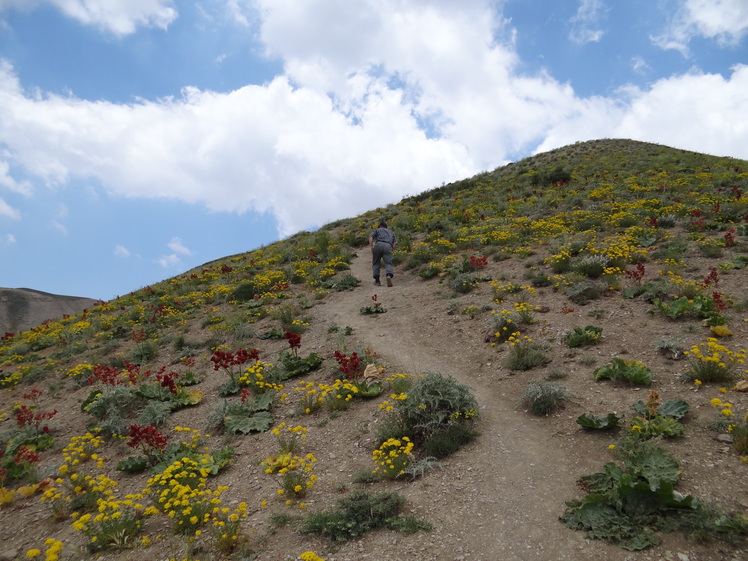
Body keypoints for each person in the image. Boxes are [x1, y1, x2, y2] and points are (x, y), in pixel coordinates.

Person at [368, 220, 397, 286]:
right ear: (386, 227)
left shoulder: (377, 230)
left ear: (380, 226)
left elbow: (370, 237)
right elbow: (394, 243)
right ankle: (389, 275)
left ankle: (377, 281)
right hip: (388, 246)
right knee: (388, 263)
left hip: (378, 245)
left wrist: (371, 246)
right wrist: (391, 249)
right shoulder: (391, 232)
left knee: (376, 262)